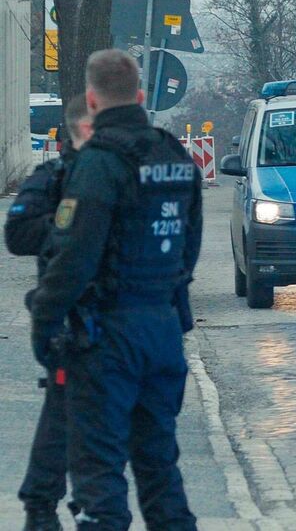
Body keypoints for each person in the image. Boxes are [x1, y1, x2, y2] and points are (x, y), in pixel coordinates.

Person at [29, 49, 202, 530]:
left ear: (91, 98)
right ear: (142, 95)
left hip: (106, 337)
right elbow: (189, 249)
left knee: (98, 476)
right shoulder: (173, 153)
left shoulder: (100, 163)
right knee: (159, 468)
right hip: (163, 330)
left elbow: (73, 259)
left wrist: (45, 325)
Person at [5, 96, 93, 531]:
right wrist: (68, 221)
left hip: (117, 315)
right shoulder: (54, 177)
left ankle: (91, 506)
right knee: (62, 418)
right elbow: (17, 235)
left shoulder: (121, 174)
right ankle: (42, 507)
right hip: (67, 315)